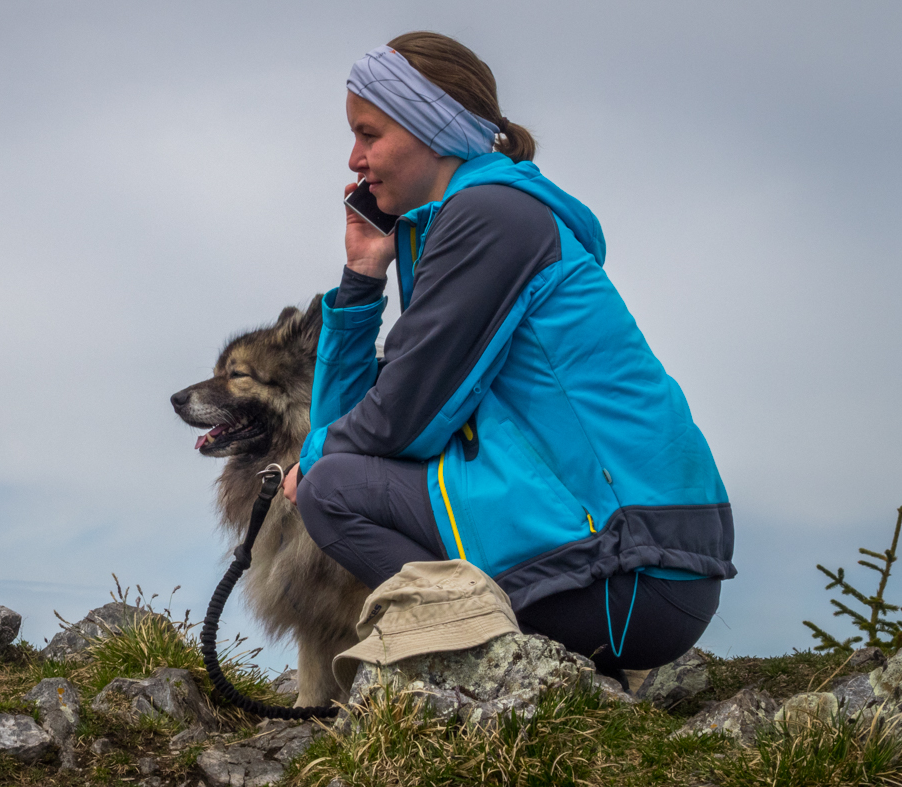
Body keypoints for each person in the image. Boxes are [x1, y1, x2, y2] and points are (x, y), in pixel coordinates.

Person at [280, 32, 736, 685]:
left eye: (369, 133)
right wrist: (360, 279)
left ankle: (479, 669)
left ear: (426, 125)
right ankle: (528, 671)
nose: (354, 159)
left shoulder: (489, 216)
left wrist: (318, 454)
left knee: (331, 486)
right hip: (642, 567)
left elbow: (400, 420)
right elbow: (360, 422)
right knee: (333, 470)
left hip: (630, 568)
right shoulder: (471, 219)